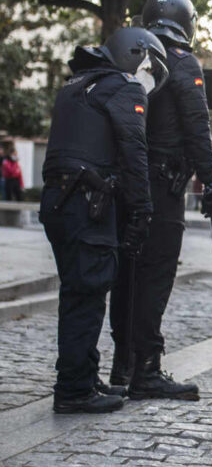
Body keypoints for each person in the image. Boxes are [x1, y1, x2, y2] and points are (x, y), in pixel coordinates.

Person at [39, 27, 168, 413]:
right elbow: (134, 150)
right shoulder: (122, 87)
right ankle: (74, 390)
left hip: (58, 203)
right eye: (149, 69)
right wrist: (142, 210)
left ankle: (84, 376)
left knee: (77, 292)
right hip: (88, 202)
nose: (147, 80)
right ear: (136, 55)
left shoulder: (76, 85)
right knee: (88, 295)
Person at [109, 0, 212, 399]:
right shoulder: (181, 61)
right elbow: (197, 125)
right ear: (187, 22)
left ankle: (123, 366)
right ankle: (148, 370)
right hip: (163, 184)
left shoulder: (128, 55)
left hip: (124, 182)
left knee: (125, 277)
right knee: (155, 276)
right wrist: (211, 181)